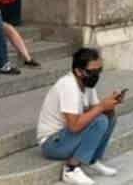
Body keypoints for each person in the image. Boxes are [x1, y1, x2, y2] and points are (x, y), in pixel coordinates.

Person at [37, 48, 123, 185]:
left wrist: (110, 106)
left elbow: (93, 111)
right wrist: (101, 107)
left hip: (67, 137)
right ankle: (71, 169)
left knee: (109, 117)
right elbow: (74, 126)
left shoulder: (87, 84)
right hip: (52, 144)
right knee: (100, 119)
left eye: (99, 71)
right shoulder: (68, 86)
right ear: (78, 71)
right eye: (92, 72)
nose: (96, 75)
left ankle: (92, 160)